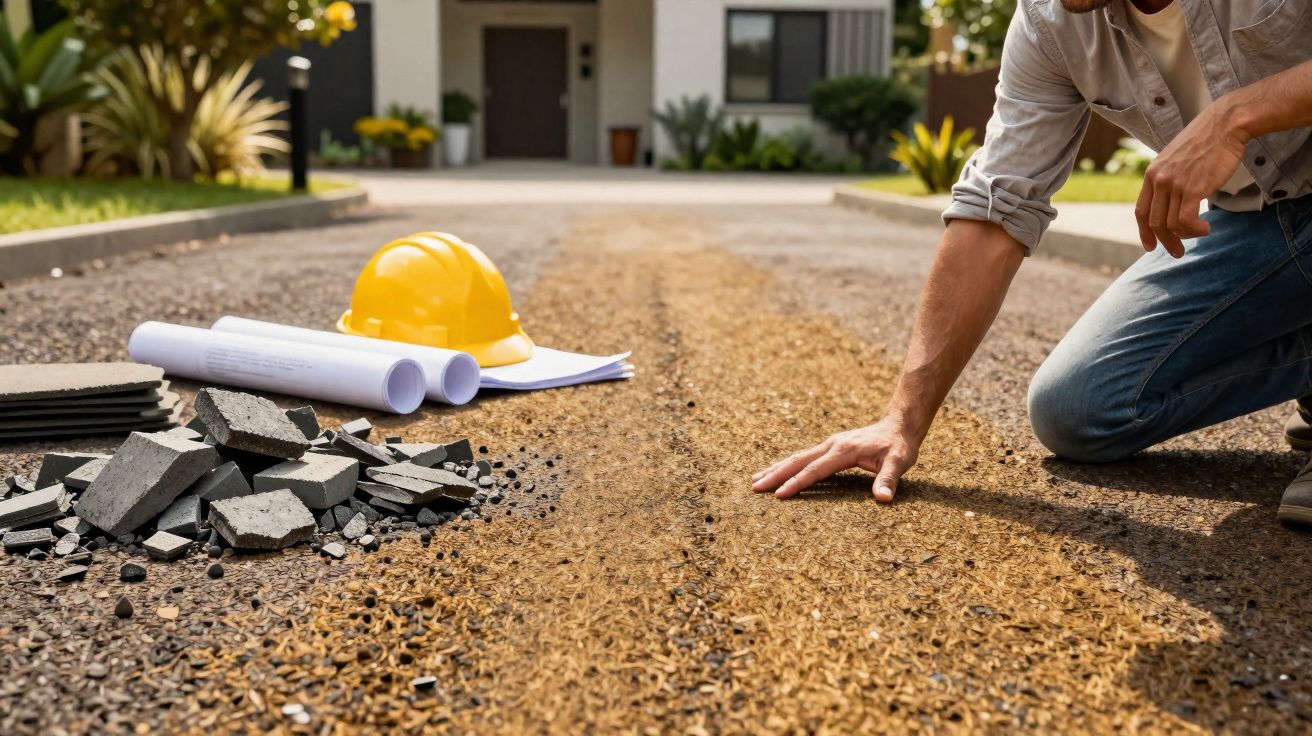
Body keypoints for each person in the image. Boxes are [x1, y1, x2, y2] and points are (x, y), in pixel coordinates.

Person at [753, 0, 1312, 526]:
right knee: (1079, 408)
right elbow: (998, 208)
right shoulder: (1053, 23)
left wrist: (1235, 116)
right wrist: (901, 421)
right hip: (1257, 226)